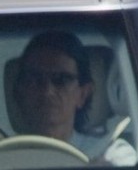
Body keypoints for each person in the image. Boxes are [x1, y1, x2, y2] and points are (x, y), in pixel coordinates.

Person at [6, 30, 110, 158]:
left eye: (61, 80)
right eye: (35, 79)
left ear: (82, 94)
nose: (47, 91)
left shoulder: (109, 153)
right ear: (19, 92)